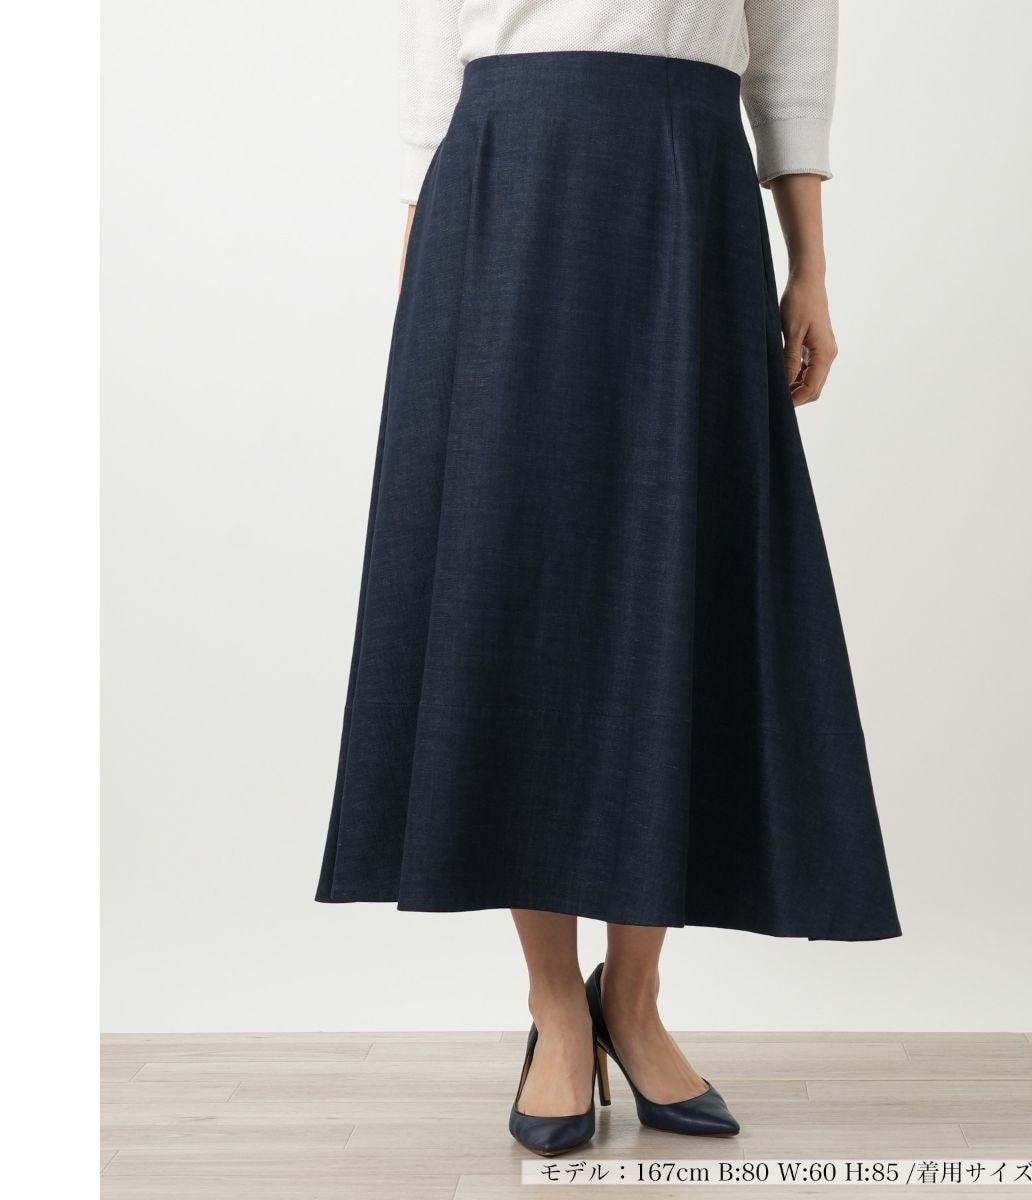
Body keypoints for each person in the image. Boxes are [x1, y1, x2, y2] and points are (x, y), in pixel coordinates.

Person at [316, 0, 901, 1155]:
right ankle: (555, 1009)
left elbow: (791, 50)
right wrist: (426, 249)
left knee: (674, 573)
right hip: (500, 184)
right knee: (513, 584)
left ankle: (631, 998)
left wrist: (812, 271)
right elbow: (435, 54)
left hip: (688, 184)